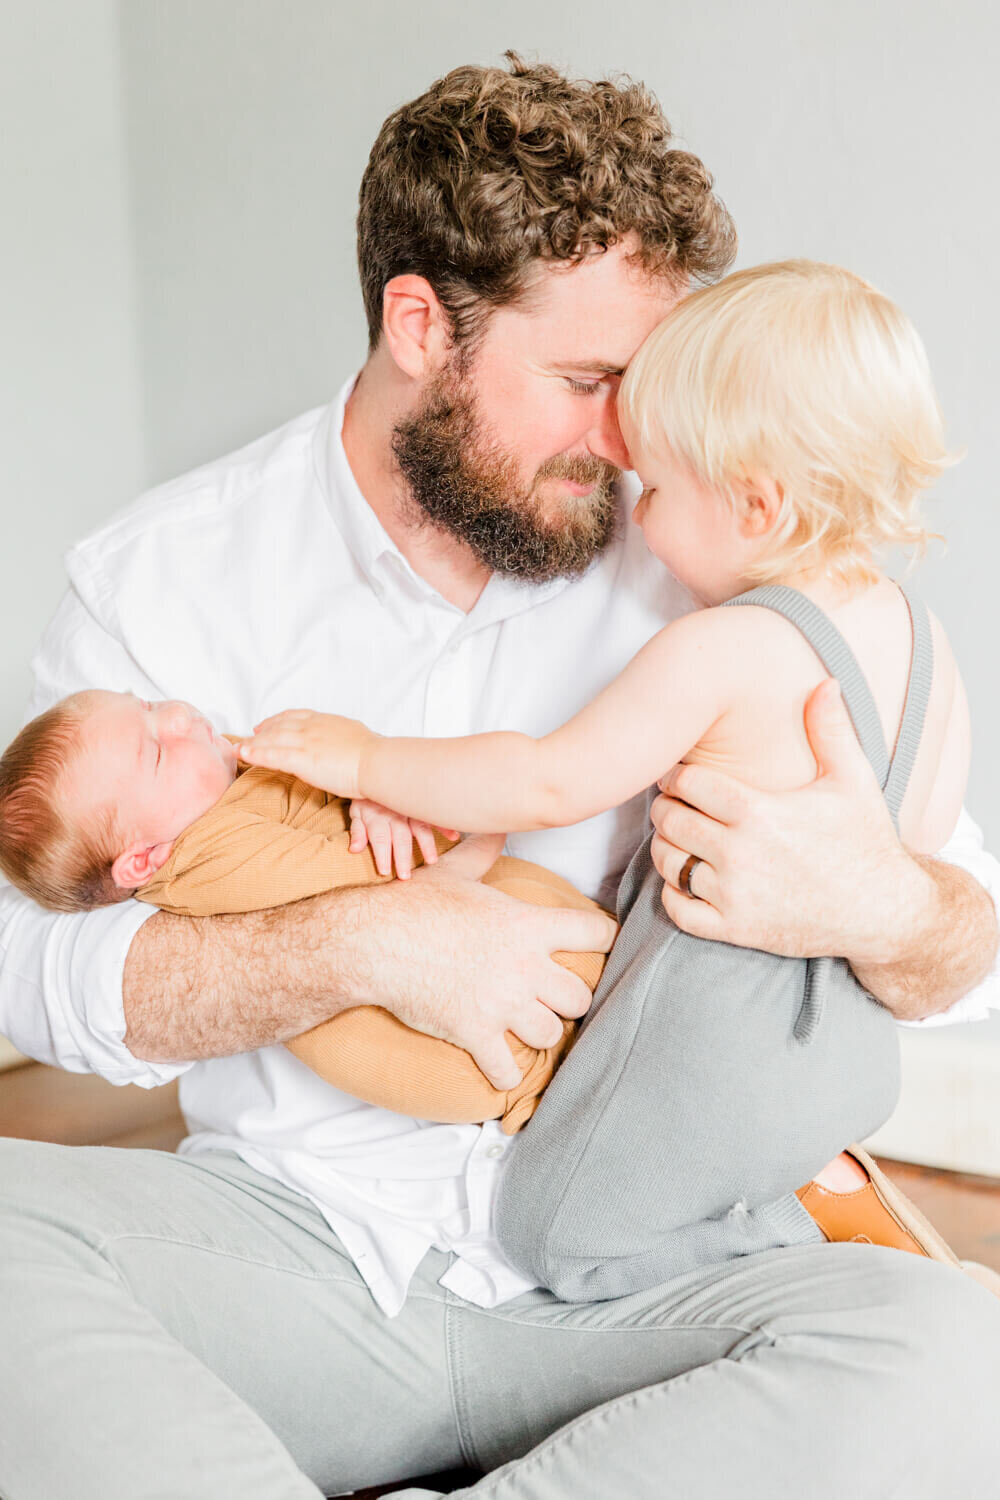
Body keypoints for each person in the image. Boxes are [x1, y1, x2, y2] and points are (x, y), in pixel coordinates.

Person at [1, 55, 999, 1500]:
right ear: (421, 323)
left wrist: (884, 907)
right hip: (309, 1254)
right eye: (589, 381)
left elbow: (971, 946)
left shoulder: (701, 562)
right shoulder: (167, 581)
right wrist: (360, 945)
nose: (627, 444)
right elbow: (26, 962)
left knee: (951, 1355)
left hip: (644, 1287)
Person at [238, 256, 968, 1297]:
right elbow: (912, 856)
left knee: (546, 1230)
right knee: (703, 1179)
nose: (637, 504)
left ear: (755, 508)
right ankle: (813, 1211)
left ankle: (790, 1268)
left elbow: (543, 782)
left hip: (709, 1053)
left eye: (658, 487)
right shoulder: (927, 643)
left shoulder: (724, 647)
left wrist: (368, 760)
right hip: (848, 1062)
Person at [0, 686, 606, 1131]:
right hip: (456, 1048)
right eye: (156, 751)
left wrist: (369, 782)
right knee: (556, 979)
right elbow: (359, 886)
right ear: (145, 861)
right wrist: (409, 798)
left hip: (500, 982)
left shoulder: (225, 781)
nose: (180, 715)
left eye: (149, 706)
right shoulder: (213, 863)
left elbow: (333, 780)